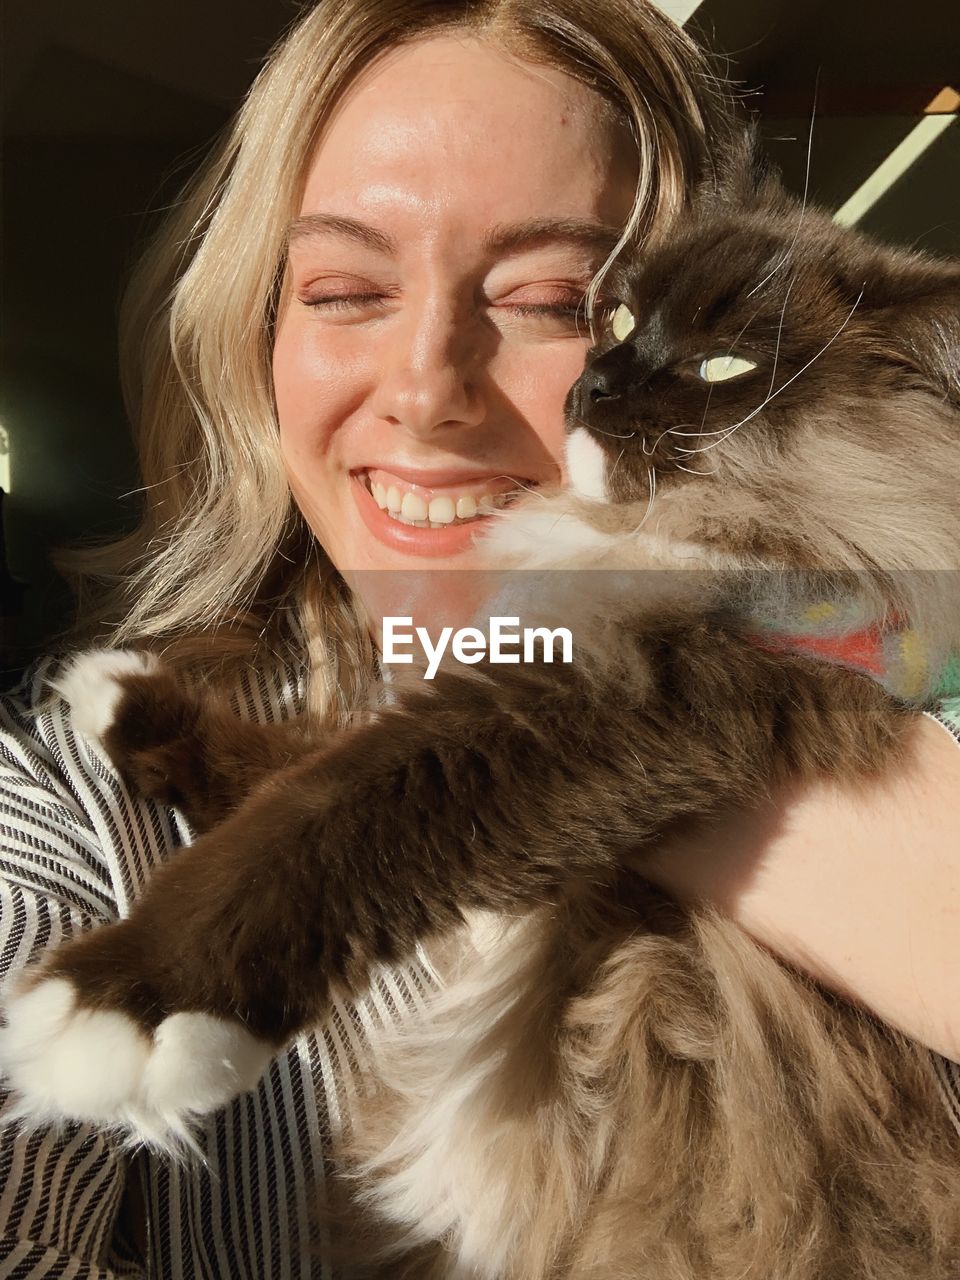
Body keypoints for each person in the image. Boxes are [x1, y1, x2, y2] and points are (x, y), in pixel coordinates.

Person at [1, 1, 958, 1275]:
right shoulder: (65, 818)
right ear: (255, 334)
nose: (425, 385)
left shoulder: (865, 642)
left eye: (553, 299)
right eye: (344, 289)